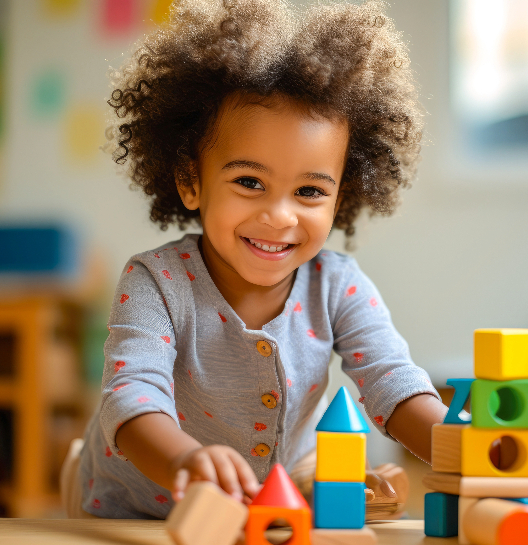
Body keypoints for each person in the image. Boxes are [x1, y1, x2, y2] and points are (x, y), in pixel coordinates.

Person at [69, 0, 448, 519]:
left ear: (343, 195)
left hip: (269, 503)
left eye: (310, 191)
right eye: (250, 182)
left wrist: (458, 445)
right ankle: (74, 465)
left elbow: (393, 381)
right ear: (190, 180)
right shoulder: (156, 282)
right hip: (136, 510)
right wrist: (186, 460)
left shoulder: (338, 286)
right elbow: (131, 395)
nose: (279, 216)